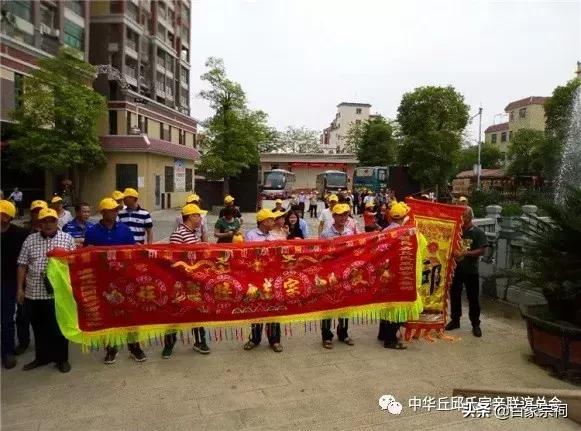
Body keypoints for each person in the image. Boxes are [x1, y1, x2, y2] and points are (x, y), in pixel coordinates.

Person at [84, 197, 147, 363]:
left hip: (124, 278)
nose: (114, 213)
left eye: (116, 210)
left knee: (130, 311)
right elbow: (87, 255)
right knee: (107, 313)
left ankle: (134, 346)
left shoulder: (125, 230)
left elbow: (132, 253)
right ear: (103, 212)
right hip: (103, 279)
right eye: (111, 210)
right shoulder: (92, 231)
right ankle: (111, 347)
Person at [17, 208, 75, 372]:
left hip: (58, 293)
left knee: (59, 327)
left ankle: (61, 359)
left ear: (57, 222)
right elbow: (22, 265)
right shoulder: (30, 240)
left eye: (52, 220)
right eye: (45, 221)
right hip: (33, 292)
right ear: (39, 224)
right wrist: (19, 289)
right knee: (38, 327)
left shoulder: (67, 239)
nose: (48, 224)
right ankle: (41, 358)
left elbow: (74, 265)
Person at [163, 204, 210, 358]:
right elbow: (174, 259)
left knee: (197, 310)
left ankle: (200, 341)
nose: (200, 219)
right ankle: (169, 345)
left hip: (194, 281)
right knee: (176, 312)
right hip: (180, 281)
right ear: (191, 217)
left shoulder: (193, 234)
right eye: (198, 216)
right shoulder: (179, 234)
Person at [243, 209, 283, 353]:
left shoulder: (274, 236)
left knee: (273, 307)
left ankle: (275, 340)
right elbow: (247, 256)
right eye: (271, 220)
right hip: (256, 277)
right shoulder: (251, 235)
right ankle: (255, 338)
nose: (274, 222)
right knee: (256, 308)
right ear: (263, 221)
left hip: (271, 277)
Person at [445, 206, 487, 338]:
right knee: (455, 295)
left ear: (468, 217)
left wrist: (466, 253)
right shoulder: (456, 231)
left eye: (462, 216)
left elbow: (482, 250)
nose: (460, 218)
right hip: (456, 270)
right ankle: (455, 320)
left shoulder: (478, 232)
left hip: (471, 271)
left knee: (473, 298)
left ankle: (475, 324)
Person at [319, 203, 356, 349]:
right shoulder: (326, 235)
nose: (343, 217)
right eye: (339, 215)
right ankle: (326, 336)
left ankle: (343, 333)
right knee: (328, 304)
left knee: (345, 305)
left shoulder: (350, 233)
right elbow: (321, 257)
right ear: (333, 216)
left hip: (346, 274)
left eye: (345, 214)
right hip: (330, 275)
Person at [378, 201, 411, 349]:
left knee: (386, 304)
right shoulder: (403, 233)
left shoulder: (385, 231)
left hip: (385, 272)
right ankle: (390, 339)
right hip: (397, 273)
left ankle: (383, 334)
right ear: (404, 217)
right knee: (396, 306)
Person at [0, 200, 29, 369]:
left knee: (6, 318)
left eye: (3, 215)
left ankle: (7, 352)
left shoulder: (20, 234)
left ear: (8, 217)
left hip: (9, 282)